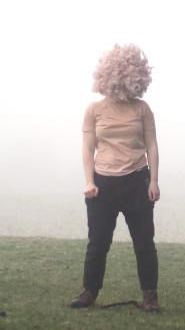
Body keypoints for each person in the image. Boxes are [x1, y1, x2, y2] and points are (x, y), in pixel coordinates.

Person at [69, 43, 161, 312]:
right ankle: (89, 292)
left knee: (144, 243)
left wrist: (154, 181)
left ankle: (150, 296)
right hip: (103, 185)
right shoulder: (94, 110)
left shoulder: (142, 109)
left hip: (137, 182)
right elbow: (87, 149)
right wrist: (89, 181)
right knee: (97, 243)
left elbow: (152, 146)